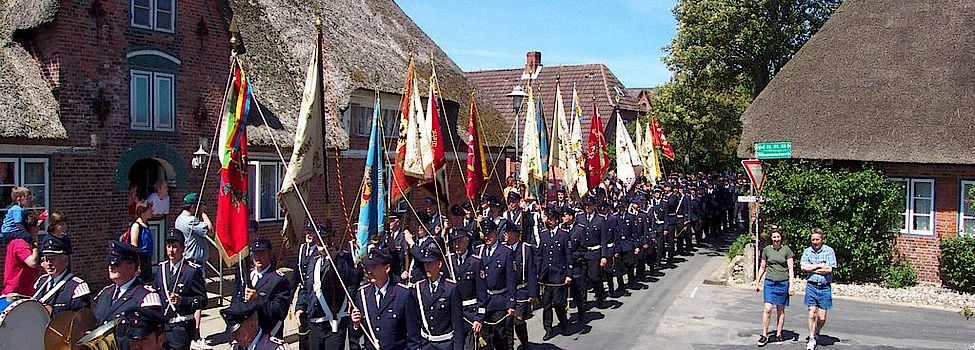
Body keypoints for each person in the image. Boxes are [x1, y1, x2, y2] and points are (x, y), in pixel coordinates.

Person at [295, 224, 355, 350]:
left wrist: (335, 259)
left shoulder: (343, 258)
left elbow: (349, 279)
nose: (320, 243)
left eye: (324, 239)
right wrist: (300, 307)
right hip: (315, 323)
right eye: (318, 239)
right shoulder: (313, 261)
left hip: (334, 322)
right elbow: (306, 288)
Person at [93, 242, 163, 350]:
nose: (111, 267)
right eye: (110, 264)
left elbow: (150, 337)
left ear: (131, 266)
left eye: (116, 264)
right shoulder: (104, 294)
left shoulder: (147, 297)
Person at [350, 247, 416, 350]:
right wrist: (355, 324)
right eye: (368, 267)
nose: (369, 271)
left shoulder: (403, 295)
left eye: (374, 267)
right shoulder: (362, 295)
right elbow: (355, 335)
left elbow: (413, 336)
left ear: (387, 268)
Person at [153, 229, 207, 350]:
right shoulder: (160, 270)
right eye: (169, 246)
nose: (171, 250)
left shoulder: (191, 271)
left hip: (181, 327)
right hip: (163, 327)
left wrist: (182, 301)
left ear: (183, 248)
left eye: (175, 247)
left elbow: (202, 300)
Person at [176, 192, 214, 350]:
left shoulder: (179, 218)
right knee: (197, 300)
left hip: (188, 263)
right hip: (194, 264)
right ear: (193, 206)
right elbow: (210, 230)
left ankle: (192, 333)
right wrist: (204, 213)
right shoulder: (191, 220)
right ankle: (196, 334)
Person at [232, 238, 291, 339]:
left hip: (267, 335)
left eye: (262, 253)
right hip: (246, 335)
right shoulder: (247, 275)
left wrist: (257, 298)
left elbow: (279, 311)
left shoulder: (278, 279)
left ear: (270, 254)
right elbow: (237, 299)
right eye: (255, 253)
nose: (258, 257)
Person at [409, 246, 463, 349]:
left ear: (439, 264)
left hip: (445, 343)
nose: (427, 267)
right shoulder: (419, 288)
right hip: (426, 343)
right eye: (425, 264)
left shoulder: (450, 288)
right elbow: (415, 320)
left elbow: (457, 323)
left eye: (431, 263)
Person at [475, 219, 516, 350]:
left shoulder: (506, 252)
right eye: (485, 234)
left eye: (490, 234)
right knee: (485, 337)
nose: (487, 237)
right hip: (484, 301)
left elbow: (511, 280)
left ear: (496, 233)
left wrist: (511, 303)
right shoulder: (479, 251)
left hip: (499, 301)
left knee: (500, 335)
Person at [754, 227, 795, 347]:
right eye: (774, 237)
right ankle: (764, 335)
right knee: (767, 308)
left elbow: (791, 269)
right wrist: (757, 282)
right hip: (770, 282)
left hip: (783, 282)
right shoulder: (766, 250)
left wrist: (791, 285)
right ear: (771, 238)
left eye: (778, 237)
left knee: (780, 310)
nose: (776, 239)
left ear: (781, 238)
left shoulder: (787, 250)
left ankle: (778, 334)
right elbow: (762, 267)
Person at [32, 234, 90, 316]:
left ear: (66, 260)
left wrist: (53, 313)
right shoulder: (41, 282)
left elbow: (81, 320)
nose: (49, 263)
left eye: (53, 258)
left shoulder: (77, 287)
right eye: (46, 259)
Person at [536, 207, 571, 340]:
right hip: (546, 276)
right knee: (546, 304)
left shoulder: (564, 234)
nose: (549, 221)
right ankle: (548, 329)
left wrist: (569, 274)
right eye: (547, 219)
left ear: (556, 220)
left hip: (559, 274)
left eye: (551, 219)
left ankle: (563, 323)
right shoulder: (543, 234)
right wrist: (538, 271)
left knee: (558, 303)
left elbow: (568, 256)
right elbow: (540, 255)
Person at [447, 228, 485, 349]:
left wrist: (479, 317)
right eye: (454, 243)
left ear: (467, 242)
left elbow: (482, 293)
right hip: (454, 313)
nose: (456, 245)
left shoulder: (475, 262)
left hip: (470, 313)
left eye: (459, 242)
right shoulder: (449, 261)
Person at [502, 221, 536, 349]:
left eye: (508, 232)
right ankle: (510, 346)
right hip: (507, 292)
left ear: (515, 234)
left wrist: (532, 293)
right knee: (507, 322)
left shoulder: (525, 249)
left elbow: (531, 272)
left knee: (518, 320)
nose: (505, 234)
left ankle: (525, 343)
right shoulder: (503, 248)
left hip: (521, 290)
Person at [800, 228, 837, 350]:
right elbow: (803, 267)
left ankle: (816, 331)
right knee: (812, 313)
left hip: (824, 288)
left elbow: (829, 269)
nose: (815, 242)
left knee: (822, 317)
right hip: (811, 286)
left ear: (822, 239)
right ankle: (811, 338)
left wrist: (812, 269)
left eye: (817, 239)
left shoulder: (829, 251)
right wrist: (818, 266)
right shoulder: (807, 251)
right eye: (813, 240)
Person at [293, 223, 322, 350]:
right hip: (303, 294)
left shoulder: (320, 250)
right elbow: (296, 274)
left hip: (316, 294)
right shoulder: (302, 249)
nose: (309, 234)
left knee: (313, 333)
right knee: (302, 330)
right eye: (307, 231)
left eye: (312, 232)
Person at [222, 300, 290, 350]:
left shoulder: (274, 348)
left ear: (252, 326)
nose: (234, 339)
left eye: (238, 333)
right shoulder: (236, 348)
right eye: (233, 334)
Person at [3, 209, 40, 296]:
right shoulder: (20, 243)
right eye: (37, 226)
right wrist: (35, 245)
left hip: (27, 293)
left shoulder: (20, 242)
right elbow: (32, 262)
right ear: (31, 227)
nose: (38, 229)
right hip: (17, 294)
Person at [128, 199, 155, 282]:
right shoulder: (136, 226)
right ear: (143, 211)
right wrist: (137, 264)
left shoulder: (146, 224)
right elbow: (134, 246)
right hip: (140, 259)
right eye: (150, 209)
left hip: (147, 259)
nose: (152, 211)